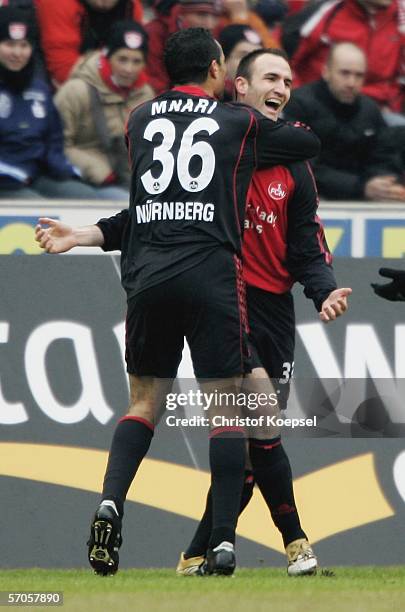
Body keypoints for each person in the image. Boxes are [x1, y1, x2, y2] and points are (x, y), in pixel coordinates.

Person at [35, 27, 320, 577]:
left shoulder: (139, 119)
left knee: (143, 403)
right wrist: (267, 119)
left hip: (146, 275)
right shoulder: (234, 122)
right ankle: (220, 544)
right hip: (211, 275)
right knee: (228, 408)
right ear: (218, 72)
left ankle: (111, 502)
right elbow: (306, 145)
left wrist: (82, 235)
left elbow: (141, 210)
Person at [176, 48, 351, 577]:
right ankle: (293, 542)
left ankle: (198, 553)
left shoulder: (294, 165)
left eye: (289, 80)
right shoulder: (215, 148)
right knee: (258, 417)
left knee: (254, 446)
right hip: (225, 299)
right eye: (270, 77)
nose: (283, 86)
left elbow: (305, 242)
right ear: (239, 87)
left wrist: (323, 289)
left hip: (274, 309)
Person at [283, 42, 405, 202]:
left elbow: (381, 157)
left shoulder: (370, 110)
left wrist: (381, 183)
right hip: (314, 196)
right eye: (345, 73)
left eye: (358, 75)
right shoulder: (299, 105)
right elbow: (303, 168)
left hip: (362, 194)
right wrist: (361, 187)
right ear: (326, 72)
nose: (351, 83)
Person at [0, 6, 98, 199]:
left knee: (85, 196)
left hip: (38, 176)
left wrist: (68, 172)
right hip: (6, 181)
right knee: (36, 205)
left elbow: (53, 144)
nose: (17, 53)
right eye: (9, 44)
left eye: (24, 45)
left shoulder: (40, 90)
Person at [54, 20, 154, 200]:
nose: (129, 69)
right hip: (77, 177)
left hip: (126, 179)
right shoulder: (76, 91)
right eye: (122, 59)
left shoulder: (145, 95)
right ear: (106, 57)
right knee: (123, 203)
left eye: (136, 61)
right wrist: (96, 170)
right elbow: (57, 146)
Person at [286, 0, 405, 123]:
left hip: (378, 111)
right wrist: (299, 100)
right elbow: (285, 59)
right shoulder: (327, 13)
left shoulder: (400, 19)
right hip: (319, 105)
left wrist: (391, 104)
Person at [34, 0, 143, 88]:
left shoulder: (131, 6)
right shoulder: (56, 3)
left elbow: (139, 68)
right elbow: (64, 71)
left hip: (106, 83)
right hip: (55, 86)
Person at [145, 0, 222, 95]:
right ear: (181, 14)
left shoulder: (216, 32)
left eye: (215, 16)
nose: (210, 24)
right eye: (201, 14)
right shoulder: (155, 33)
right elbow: (156, 81)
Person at [218, 23, 262, 100]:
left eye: (257, 57)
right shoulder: (210, 100)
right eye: (244, 56)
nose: (252, 62)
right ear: (223, 60)